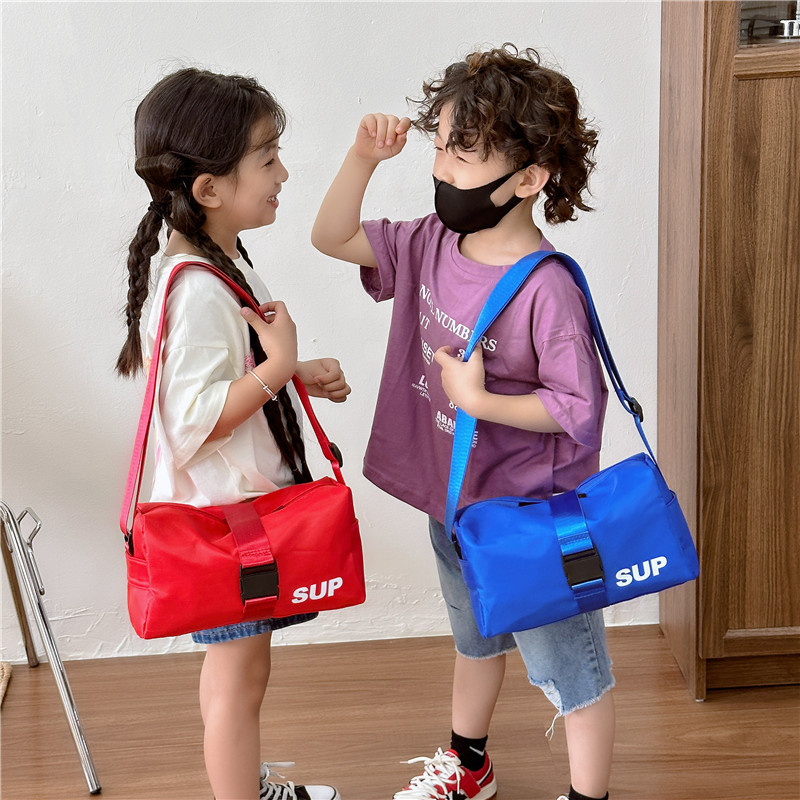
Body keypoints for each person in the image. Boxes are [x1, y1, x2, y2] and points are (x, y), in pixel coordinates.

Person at [312, 45, 615, 800]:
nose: (441, 165)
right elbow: (332, 237)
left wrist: (481, 403)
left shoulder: (547, 290)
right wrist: (362, 158)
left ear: (529, 179)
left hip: (530, 518)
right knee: (476, 637)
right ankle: (469, 764)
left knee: (571, 672)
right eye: (441, 144)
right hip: (454, 504)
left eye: (464, 151)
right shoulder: (430, 241)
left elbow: (578, 409)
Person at [116, 68, 349, 800]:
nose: (284, 173)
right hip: (224, 525)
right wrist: (277, 367)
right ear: (210, 188)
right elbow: (191, 424)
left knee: (238, 674)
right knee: (238, 682)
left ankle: (245, 785)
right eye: (268, 158)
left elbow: (213, 379)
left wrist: (290, 371)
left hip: (229, 517)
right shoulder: (197, 288)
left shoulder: (216, 262)